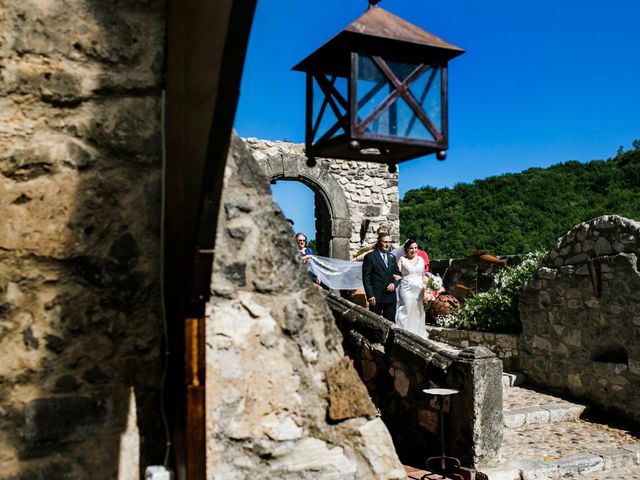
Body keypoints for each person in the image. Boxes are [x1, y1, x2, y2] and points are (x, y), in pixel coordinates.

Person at [362, 233, 401, 322]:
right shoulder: (370, 257)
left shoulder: (392, 257)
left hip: (390, 297)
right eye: (385, 242)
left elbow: (398, 274)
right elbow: (366, 278)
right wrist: (370, 295)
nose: (388, 245)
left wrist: (394, 284)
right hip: (376, 297)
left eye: (390, 242)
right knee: (374, 324)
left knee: (391, 323)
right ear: (379, 241)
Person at [395, 238, 428, 338]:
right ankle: (403, 333)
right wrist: (397, 277)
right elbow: (397, 274)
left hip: (419, 290)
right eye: (411, 248)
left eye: (415, 248)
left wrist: (429, 284)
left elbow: (423, 276)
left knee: (418, 310)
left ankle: (418, 334)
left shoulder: (421, 260)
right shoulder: (402, 260)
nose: (414, 250)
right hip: (406, 289)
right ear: (406, 249)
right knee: (407, 308)